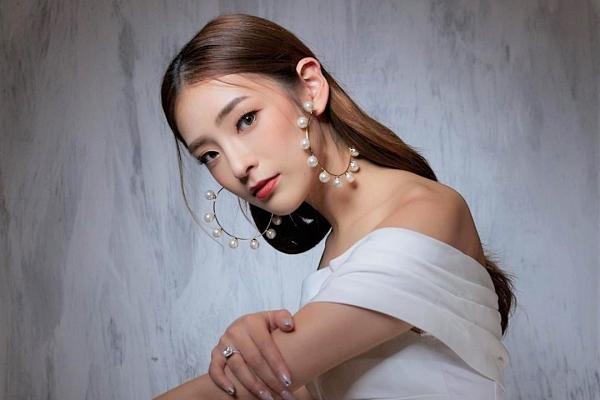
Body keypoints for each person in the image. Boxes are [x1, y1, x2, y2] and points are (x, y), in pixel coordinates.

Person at [154, 13, 516, 400]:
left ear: (310, 87)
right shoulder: (337, 252)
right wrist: (247, 348)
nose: (238, 165)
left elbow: (272, 377)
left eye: (246, 119)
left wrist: (255, 358)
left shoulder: (429, 211)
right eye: (209, 154)